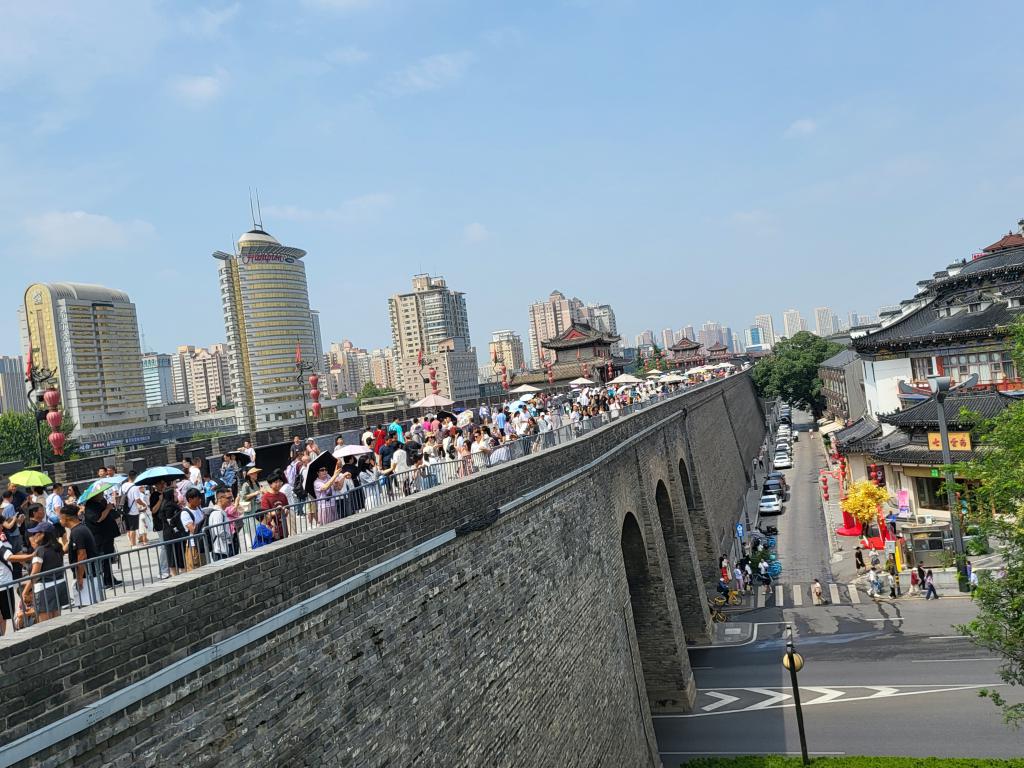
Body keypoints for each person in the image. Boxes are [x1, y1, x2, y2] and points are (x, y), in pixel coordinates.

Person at [22, 520, 67, 623]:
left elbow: (34, 573)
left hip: (45, 589)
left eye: (35, 533)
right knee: (57, 619)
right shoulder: (58, 548)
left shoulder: (40, 550)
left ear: (42, 535)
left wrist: (25, 591)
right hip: (59, 584)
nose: (32, 536)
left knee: (45, 623)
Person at [61, 504, 102, 607]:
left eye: (60, 517)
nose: (59, 520)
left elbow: (82, 555)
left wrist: (79, 577)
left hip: (87, 576)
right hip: (90, 574)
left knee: (87, 606)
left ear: (66, 517)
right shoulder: (79, 529)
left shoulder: (78, 532)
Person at [206, 486, 233, 561]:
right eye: (228, 498)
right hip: (220, 550)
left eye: (231, 497)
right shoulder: (217, 513)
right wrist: (230, 538)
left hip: (222, 549)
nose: (231, 500)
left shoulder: (220, 512)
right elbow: (219, 531)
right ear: (220, 499)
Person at [260, 472, 289, 539]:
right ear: (270, 484)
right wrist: (277, 511)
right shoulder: (265, 497)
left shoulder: (283, 495)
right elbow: (265, 514)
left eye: (280, 482)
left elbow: (287, 508)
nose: (278, 484)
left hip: (283, 528)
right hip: (272, 530)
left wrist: (286, 511)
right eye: (276, 482)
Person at [122, 470, 145, 547]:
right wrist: (144, 504)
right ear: (136, 477)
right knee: (133, 529)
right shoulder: (135, 487)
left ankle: (131, 542)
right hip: (133, 510)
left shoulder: (123, 485)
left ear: (128, 476)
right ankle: (133, 544)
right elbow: (137, 500)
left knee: (128, 528)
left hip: (125, 509)